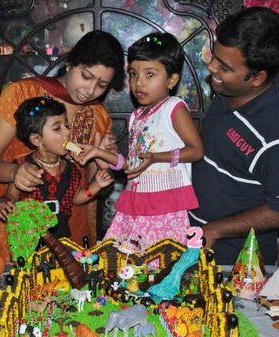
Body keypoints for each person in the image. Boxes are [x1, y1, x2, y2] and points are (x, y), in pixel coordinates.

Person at [0, 30, 125, 261]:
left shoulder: (98, 115)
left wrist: (103, 164)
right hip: (13, 222)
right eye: (86, 76)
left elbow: (94, 187)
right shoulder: (23, 93)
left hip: (68, 233)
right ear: (70, 63)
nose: (91, 90)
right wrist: (14, 172)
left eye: (102, 84)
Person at [190, 7, 279, 266]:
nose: (211, 67)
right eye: (215, 57)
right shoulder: (227, 93)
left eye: (224, 66)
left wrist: (215, 229)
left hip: (235, 263)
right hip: (192, 243)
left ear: (257, 77)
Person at [76, 32, 204, 249]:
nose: (139, 83)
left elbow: (196, 150)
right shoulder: (136, 116)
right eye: (134, 74)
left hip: (164, 204)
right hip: (136, 199)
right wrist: (98, 152)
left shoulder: (173, 108)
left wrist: (156, 157)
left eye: (150, 74)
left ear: (172, 80)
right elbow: (131, 165)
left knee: (157, 259)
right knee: (121, 257)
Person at [0, 97, 114, 239]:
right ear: (37, 139)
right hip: (29, 240)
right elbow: (11, 196)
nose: (67, 132)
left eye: (66, 125)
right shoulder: (24, 167)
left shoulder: (70, 168)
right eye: (57, 128)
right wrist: (3, 202)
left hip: (61, 239)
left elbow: (76, 198)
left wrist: (96, 185)